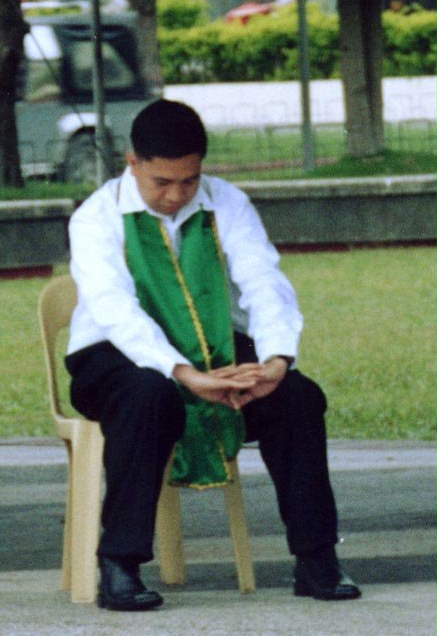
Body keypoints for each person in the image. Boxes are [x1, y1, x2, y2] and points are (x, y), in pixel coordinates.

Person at [65, 99, 361, 612]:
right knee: (150, 394)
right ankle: (120, 564)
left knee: (299, 398)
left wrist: (275, 361)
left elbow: (264, 283)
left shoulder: (227, 203)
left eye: (190, 180)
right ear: (131, 163)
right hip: (112, 357)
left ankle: (316, 559)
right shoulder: (96, 218)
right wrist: (184, 375)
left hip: (216, 346)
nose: (178, 195)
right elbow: (116, 311)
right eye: (162, 182)